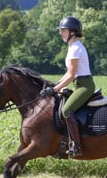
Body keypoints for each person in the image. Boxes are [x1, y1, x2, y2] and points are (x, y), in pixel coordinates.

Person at [40, 16, 95, 158]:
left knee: (66, 110)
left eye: (63, 30)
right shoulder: (72, 47)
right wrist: (55, 85)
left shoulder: (76, 48)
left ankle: (77, 146)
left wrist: (54, 89)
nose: (60, 33)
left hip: (84, 86)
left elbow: (71, 75)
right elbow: (68, 74)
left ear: (72, 32)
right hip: (79, 84)